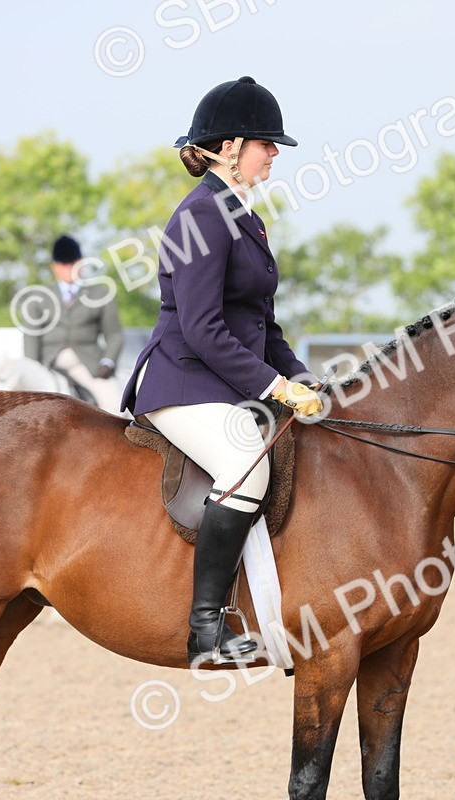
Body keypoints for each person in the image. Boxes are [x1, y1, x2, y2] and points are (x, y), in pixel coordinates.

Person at [120, 76, 323, 665]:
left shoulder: (244, 217)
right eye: (267, 143)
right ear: (231, 147)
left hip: (222, 380)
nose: (275, 154)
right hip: (184, 382)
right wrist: (273, 386)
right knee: (247, 467)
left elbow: (265, 325)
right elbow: (205, 328)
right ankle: (205, 627)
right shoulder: (201, 218)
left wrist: (302, 376)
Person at [24, 235, 125, 413]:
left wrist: (108, 361)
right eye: (64, 264)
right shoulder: (39, 298)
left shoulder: (100, 294)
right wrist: (33, 368)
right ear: (55, 266)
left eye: (72, 263)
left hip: (87, 363)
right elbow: (31, 336)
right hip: (48, 364)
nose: (68, 269)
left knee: (116, 403)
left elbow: (114, 334)